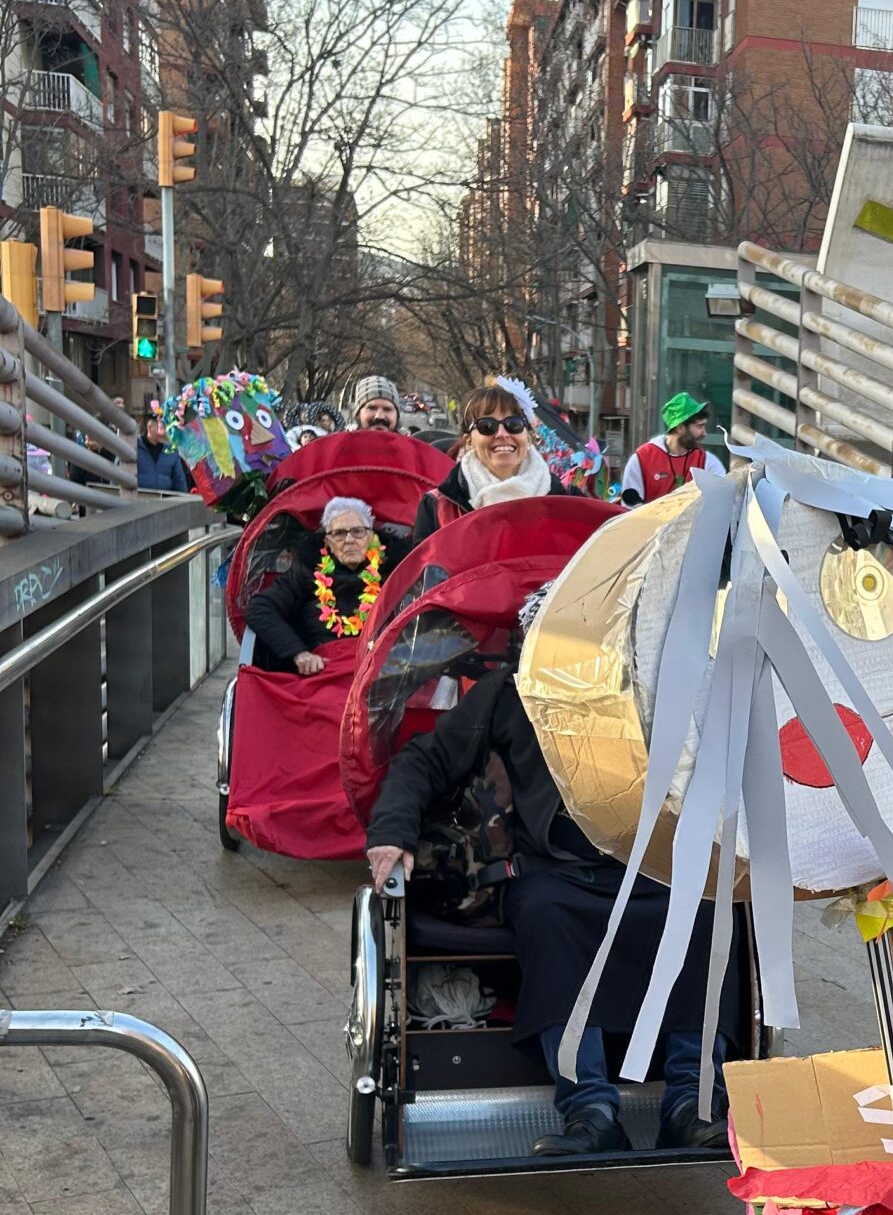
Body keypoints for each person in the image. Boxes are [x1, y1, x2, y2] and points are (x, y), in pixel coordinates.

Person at [363, 593, 738, 1157]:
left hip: (651, 866)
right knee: (544, 912)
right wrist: (392, 831)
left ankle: (692, 1102)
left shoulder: (651, 690)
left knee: (706, 909)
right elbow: (426, 758)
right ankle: (590, 1111)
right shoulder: (510, 692)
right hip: (557, 873)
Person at [246, 497, 384, 674]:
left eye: (358, 532)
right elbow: (259, 608)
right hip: (324, 670)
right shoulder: (307, 570)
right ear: (328, 542)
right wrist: (299, 653)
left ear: (370, 537)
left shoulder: (394, 570)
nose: (349, 540)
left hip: (378, 672)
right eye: (339, 533)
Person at [410, 382, 553, 547]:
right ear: (469, 441)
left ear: (528, 437)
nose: (502, 434)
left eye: (514, 424)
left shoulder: (565, 498)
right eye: (487, 426)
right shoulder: (436, 507)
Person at [622, 392, 718, 504]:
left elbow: (721, 498)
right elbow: (629, 506)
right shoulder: (641, 458)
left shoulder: (708, 461)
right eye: (699, 426)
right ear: (680, 428)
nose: (704, 433)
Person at [136, 404, 193, 495]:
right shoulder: (133, 448)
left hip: (166, 501)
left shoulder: (171, 452)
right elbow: (118, 477)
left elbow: (180, 485)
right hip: (137, 500)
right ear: (150, 427)